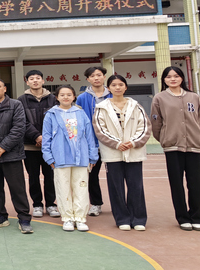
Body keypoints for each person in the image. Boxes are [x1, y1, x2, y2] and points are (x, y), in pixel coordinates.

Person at [93, 75, 151, 231]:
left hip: (134, 152)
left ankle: (138, 219)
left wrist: (133, 142)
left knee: (136, 186)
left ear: (126, 87)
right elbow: (100, 130)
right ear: (108, 88)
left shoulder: (136, 106)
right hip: (113, 153)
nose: (117, 87)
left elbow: (145, 127)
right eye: (113, 85)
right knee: (116, 187)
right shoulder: (101, 108)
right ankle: (122, 219)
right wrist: (117, 144)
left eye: (120, 84)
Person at [150, 66, 200, 232]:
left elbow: (199, 119)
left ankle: (196, 217)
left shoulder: (193, 97)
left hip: (194, 145)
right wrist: (165, 139)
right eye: (168, 77)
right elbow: (156, 122)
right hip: (172, 146)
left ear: (182, 78)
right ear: (164, 80)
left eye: (176, 76)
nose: (172, 79)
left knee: (195, 184)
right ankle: (182, 218)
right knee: (176, 184)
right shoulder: (159, 98)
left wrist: (196, 135)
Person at [0, 78, 33, 234]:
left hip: (12, 155)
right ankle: (0, 216)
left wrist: (2, 147)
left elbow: (19, 129)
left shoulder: (16, 105)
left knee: (17, 189)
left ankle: (24, 219)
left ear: (5, 89)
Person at [42, 85, 98, 232]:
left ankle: (80, 218)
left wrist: (92, 156)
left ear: (74, 97)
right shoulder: (51, 114)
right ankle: (67, 218)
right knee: (63, 189)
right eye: (62, 95)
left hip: (81, 158)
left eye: (69, 94)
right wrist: (49, 157)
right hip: (60, 158)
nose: (66, 97)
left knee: (81, 188)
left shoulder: (81, 113)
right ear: (57, 97)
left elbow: (89, 136)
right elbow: (46, 138)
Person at [17, 70, 60, 218]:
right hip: (30, 146)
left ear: (43, 81)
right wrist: (36, 136)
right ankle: (37, 204)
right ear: (27, 82)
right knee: (33, 177)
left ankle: (51, 204)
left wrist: (45, 139)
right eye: (31, 78)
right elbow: (22, 121)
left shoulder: (53, 99)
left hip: (50, 146)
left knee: (50, 176)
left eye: (38, 78)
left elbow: (57, 119)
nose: (35, 81)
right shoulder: (21, 100)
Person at [75, 66, 111, 217]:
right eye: (92, 76)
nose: (96, 78)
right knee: (92, 175)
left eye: (99, 75)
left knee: (114, 175)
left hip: (111, 143)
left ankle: (118, 204)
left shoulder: (112, 95)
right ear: (88, 79)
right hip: (91, 143)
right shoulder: (82, 98)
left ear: (104, 77)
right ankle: (96, 204)